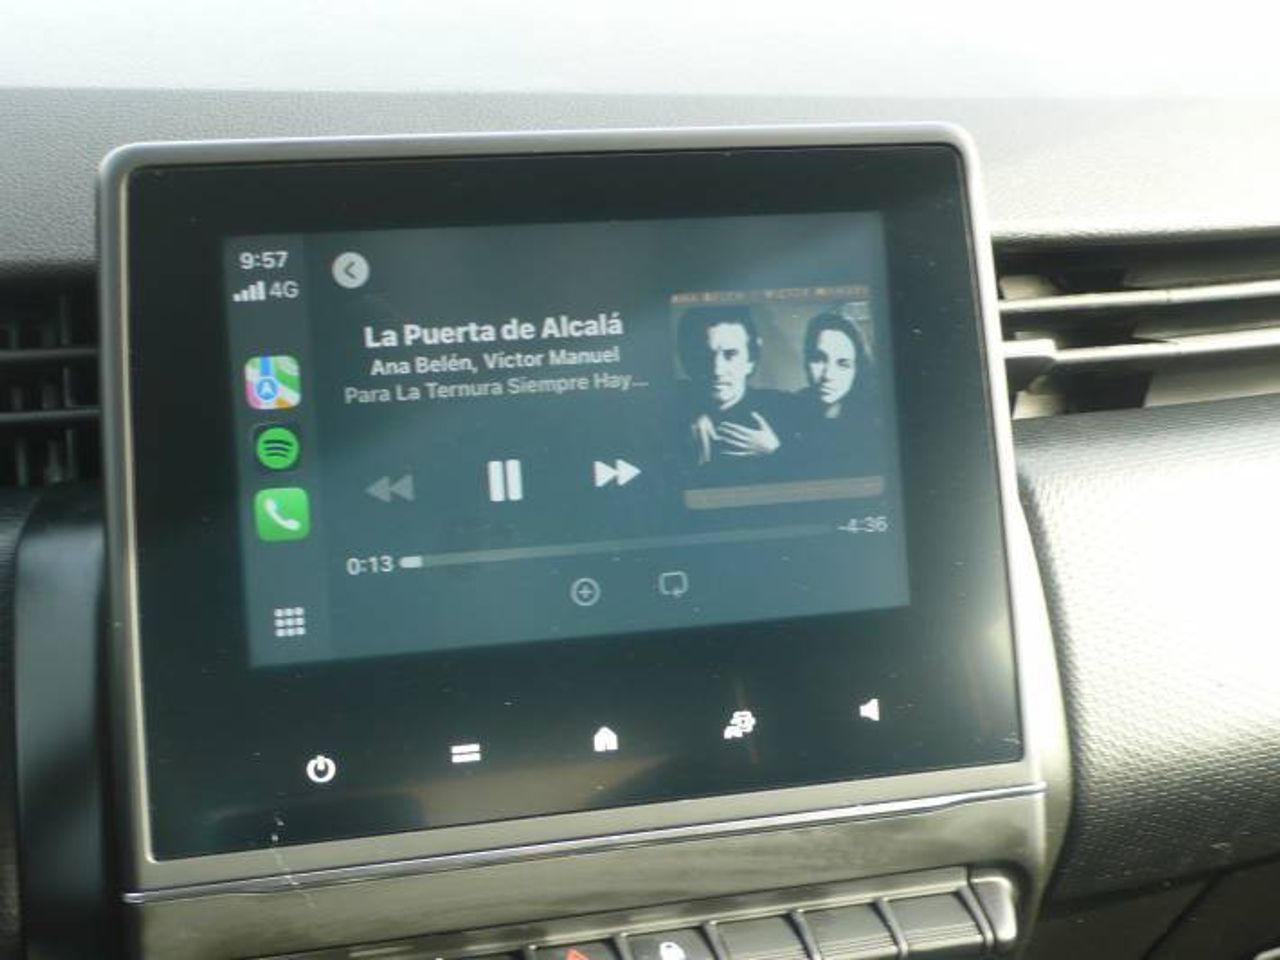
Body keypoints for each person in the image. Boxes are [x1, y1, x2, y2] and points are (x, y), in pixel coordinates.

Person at [675, 305, 791, 471]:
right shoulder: (669, 404)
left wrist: (776, 452)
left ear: (751, 361)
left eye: (730, 354)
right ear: (687, 361)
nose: (717, 370)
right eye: (704, 354)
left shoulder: (784, 408)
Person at [792, 311, 881, 474]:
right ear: (806, 361)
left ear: (857, 369)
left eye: (843, 364)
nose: (828, 375)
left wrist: (776, 451)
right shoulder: (793, 407)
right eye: (819, 359)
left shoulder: (874, 421)